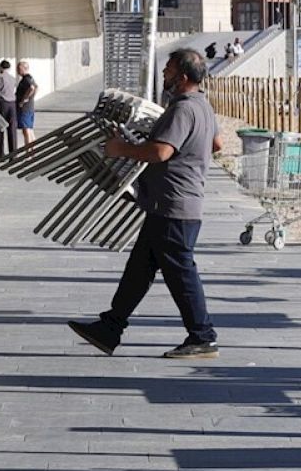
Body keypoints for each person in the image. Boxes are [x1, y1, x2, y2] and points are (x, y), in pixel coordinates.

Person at [68, 48, 221, 359]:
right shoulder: (203, 107)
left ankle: (203, 336)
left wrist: (120, 148)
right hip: (171, 203)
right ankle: (110, 327)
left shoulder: (182, 110)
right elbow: (216, 144)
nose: (163, 73)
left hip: (175, 205)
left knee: (181, 272)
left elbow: (160, 152)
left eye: (168, 69)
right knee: (139, 268)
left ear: (183, 77)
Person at [0, 60, 19, 156]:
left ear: (1, 68)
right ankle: (13, 153)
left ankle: (1, 153)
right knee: (12, 129)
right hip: (12, 104)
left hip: (2, 103)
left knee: (0, 128)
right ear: (9, 68)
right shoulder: (13, 79)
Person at [14, 60, 38, 150]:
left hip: (25, 109)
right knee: (30, 129)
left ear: (24, 68)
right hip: (29, 107)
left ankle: (29, 151)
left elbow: (32, 88)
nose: (17, 70)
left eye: (19, 68)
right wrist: (31, 97)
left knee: (26, 130)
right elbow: (36, 87)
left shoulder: (26, 79)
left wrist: (24, 99)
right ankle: (32, 150)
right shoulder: (30, 78)